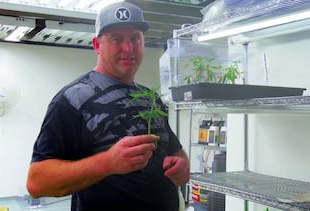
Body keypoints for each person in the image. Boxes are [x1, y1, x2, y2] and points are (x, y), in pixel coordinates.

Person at [26, 2, 190, 211]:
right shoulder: (72, 100)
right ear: (97, 45)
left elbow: (175, 152)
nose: (128, 48)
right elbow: (37, 182)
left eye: (135, 38)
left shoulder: (151, 99)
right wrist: (107, 163)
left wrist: (181, 165)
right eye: (116, 39)